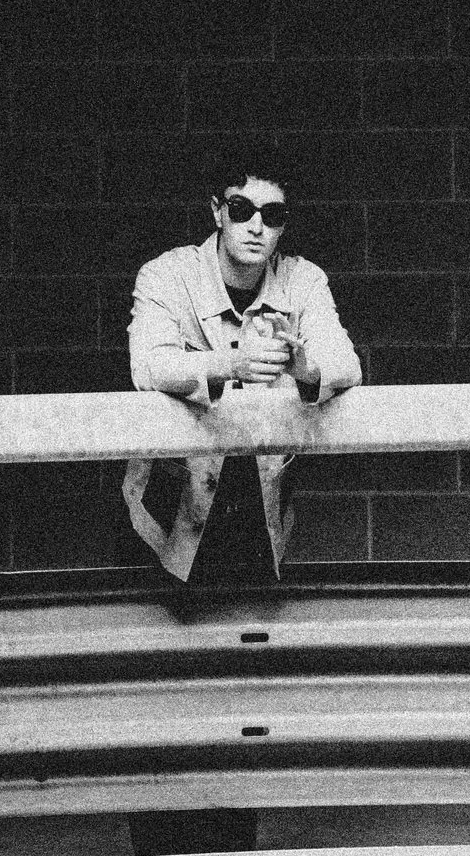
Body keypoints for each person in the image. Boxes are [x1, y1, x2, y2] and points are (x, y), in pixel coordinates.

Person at [122, 170, 362, 589]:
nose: (256, 227)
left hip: (258, 509)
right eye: (241, 210)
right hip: (167, 512)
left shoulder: (303, 279)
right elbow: (149, 367)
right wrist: (231, 365)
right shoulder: (166, 275)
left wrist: (303, 368)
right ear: (218, 211)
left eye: (272, 215)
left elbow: (347, 363)